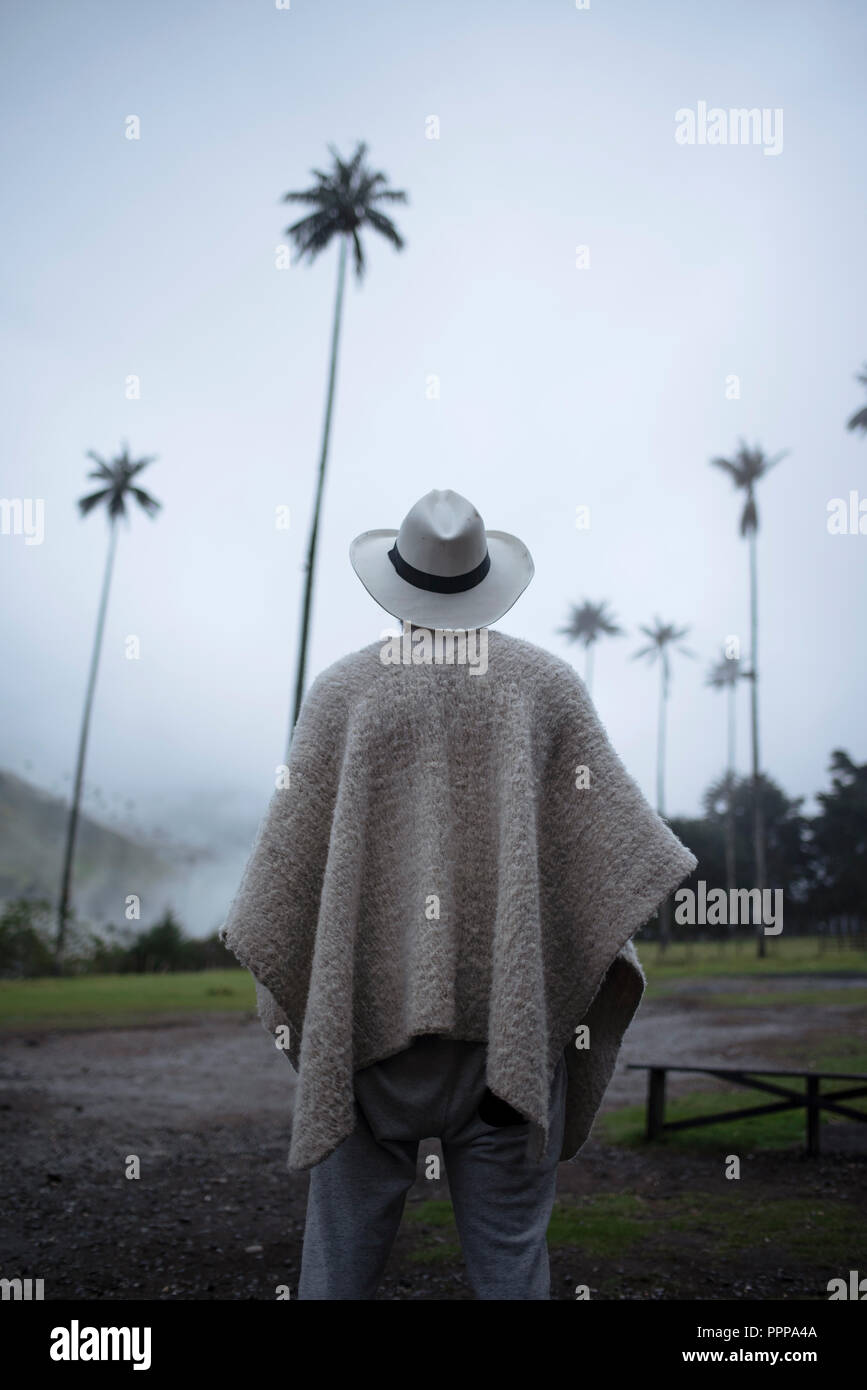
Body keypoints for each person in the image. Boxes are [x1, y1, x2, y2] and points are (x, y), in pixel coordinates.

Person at [220, 487, 696, 1300]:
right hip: (508, 1034)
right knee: (511, 1264)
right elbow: (608, 857)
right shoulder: (544, 688)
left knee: (336, 1268)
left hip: (364, 1033)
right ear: (485, 580)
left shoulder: (343, 695)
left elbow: (281, 888)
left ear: (393, 581)